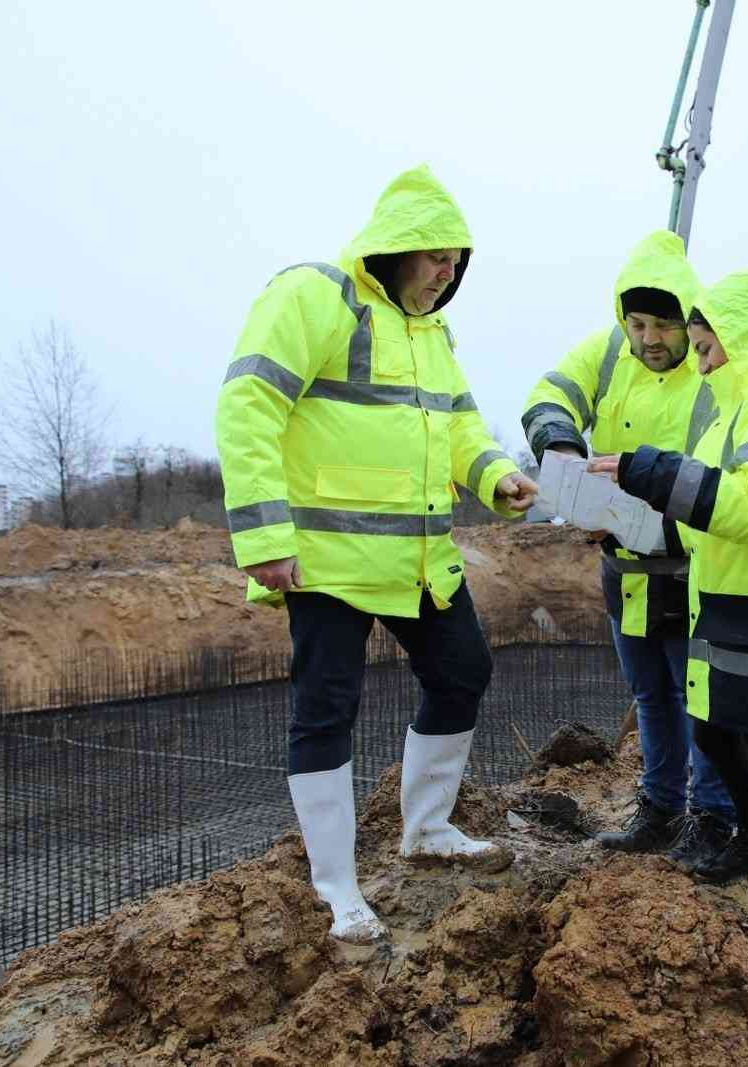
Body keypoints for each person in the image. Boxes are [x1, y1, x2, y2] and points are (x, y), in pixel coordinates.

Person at [215, 165, 539, 945]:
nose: (449, 271)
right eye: (437, 256)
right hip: (326, 562)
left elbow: (460, 427)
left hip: (420, 560)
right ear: (398, 248)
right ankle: (338, 890)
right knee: (325, 710)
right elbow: (247, 403)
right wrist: (263, 537)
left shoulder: (434, 335)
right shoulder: (315, 297)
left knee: (463, 671)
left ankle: (425, 829)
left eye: (458, 260)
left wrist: (497, 477)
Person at [587, 271, 748, 984]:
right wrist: (623, 513)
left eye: (707, 347)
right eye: (696, 349)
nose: (700, 361)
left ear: (743, 338)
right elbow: (703, 514)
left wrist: (649, 471)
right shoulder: (731, 414)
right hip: (725, 606)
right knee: (715, 732)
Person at [520, 231, 736, 869]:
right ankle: (660, 808)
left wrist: (657, 527)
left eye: (664, 325)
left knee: (700, 698)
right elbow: (549, 393)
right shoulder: (610, 351)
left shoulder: (710, 370)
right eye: (637, 323)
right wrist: (560, 444)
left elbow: (723, 483)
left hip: (692, 568)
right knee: (650, 697)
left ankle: (716, 818)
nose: (649, 339)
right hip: (625, 569)